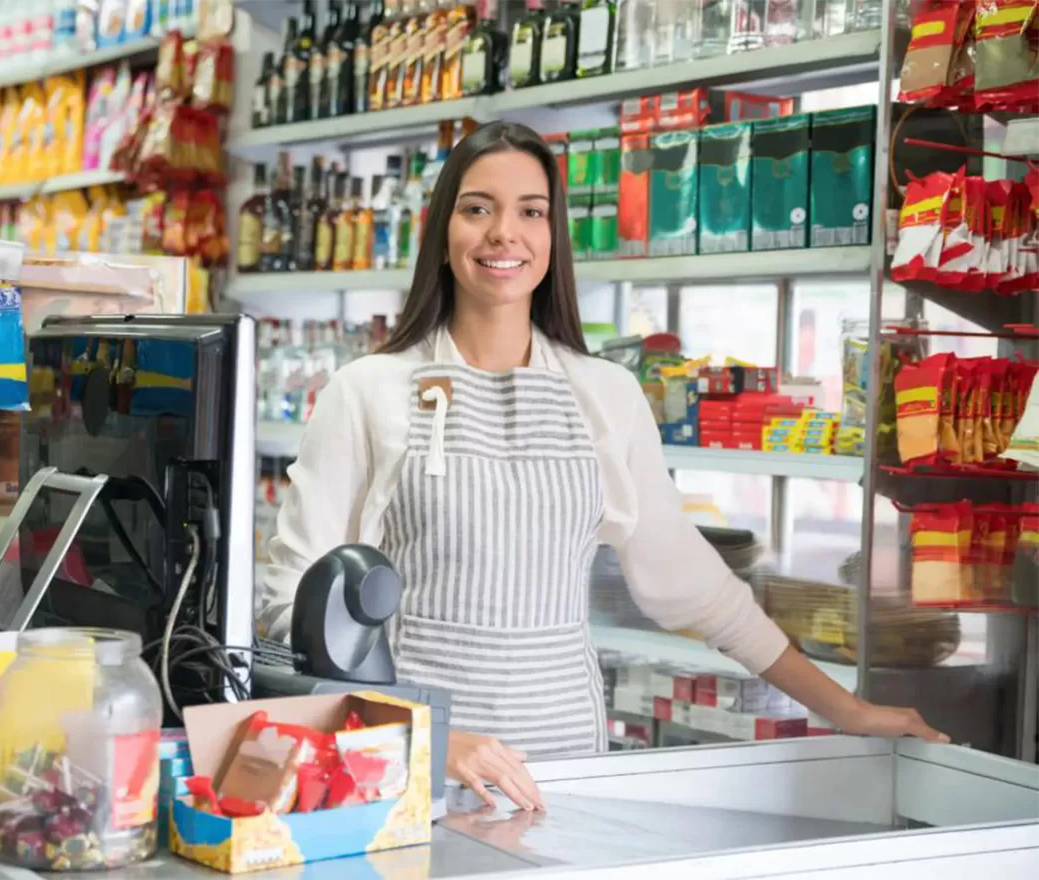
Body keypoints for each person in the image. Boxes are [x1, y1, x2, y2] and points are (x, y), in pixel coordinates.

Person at [259, 121, 946, 814]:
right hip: (404, 776)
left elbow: (700, 590)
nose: (504, 232)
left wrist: (849, 711)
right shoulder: (368, 390)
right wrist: (423, 735)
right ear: (442, 231)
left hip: (565, 777)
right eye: (477, 209)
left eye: (530, 212)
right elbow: (291, 609)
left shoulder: (606, 395)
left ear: (553, 237)